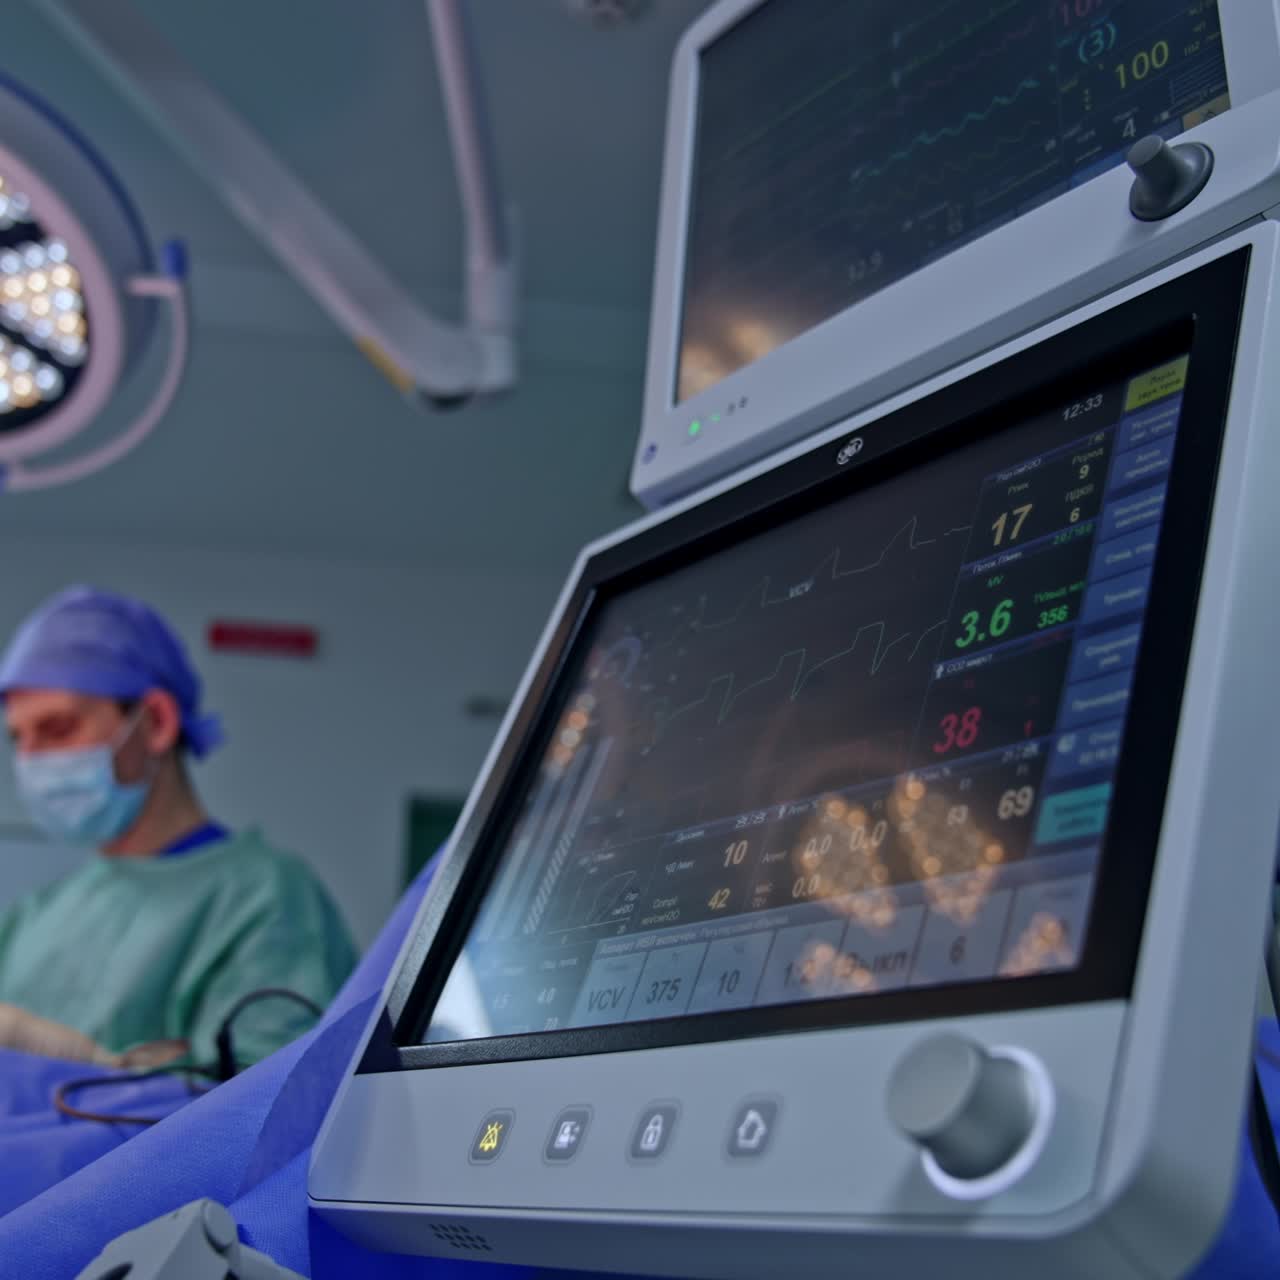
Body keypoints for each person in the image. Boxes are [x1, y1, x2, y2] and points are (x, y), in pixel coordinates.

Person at [0, 586, 357, 1068]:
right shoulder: (33, 919)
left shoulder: (265, 900)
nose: (31, 760)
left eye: (58, 728)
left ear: (157, 723)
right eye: (18, 738)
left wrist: (97, 1069)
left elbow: (263, 1111)